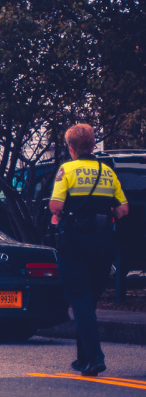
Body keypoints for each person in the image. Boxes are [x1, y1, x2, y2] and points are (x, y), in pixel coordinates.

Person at [49, 124, 129, 376]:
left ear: (71, 148)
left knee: (80, 301)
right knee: (90, 301)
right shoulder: (107, 171)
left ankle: (94, 358)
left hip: (74, 243)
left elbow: (55, 205)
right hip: (103, 242)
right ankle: (83, 358)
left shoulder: (67, 169)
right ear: (93, 146)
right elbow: (123, 209)